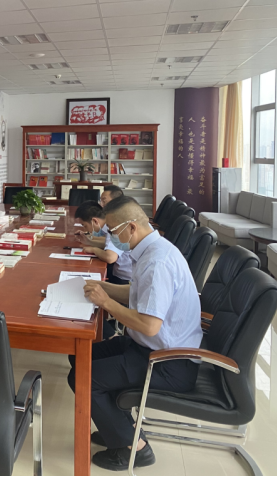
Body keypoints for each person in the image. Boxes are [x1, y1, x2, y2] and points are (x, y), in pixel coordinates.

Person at [68, 197, 202, 471]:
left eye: (113, 231)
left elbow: (149, 325)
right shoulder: (153, 250)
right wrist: (99, 287)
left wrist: (105, 302)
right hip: (149, 346)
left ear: (131, 228)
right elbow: (137, 292)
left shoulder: (157, 263)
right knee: (79, 355)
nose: (110, 238)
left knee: (82, 376)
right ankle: (117, 426)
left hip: (168, 361)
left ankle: (134, 447)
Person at [74, 201, 132, 285]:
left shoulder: (113, 228)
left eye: (85, 226)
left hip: (124, 279)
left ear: (95, 221)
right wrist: (89, 241)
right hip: (123, 272)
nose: (86, 230)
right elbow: (109, 246)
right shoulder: (111, 223)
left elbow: (110, 257)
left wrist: (94, 250)